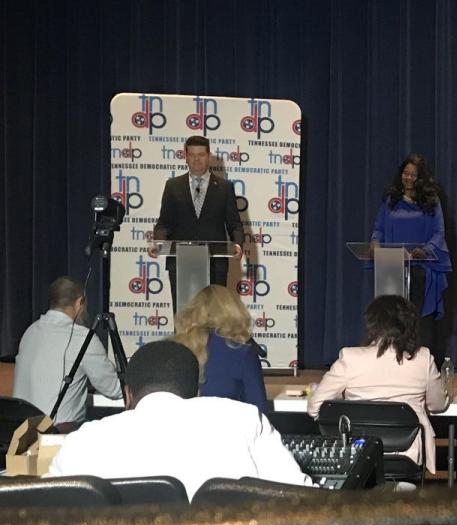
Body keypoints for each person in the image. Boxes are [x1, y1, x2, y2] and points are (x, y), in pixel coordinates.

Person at [45, 340, 313, 500]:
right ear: (196, 392)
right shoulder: (243, 419)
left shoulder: (83, 441)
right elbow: (303, 497)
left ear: (127, 395)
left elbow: (44, 509)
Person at [307, 295, 449, 479]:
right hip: (408, 456)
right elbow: (438, 405)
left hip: (358, 454)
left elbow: (314, 408)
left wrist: (344, 403)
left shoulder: (350, 358)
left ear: (372, 324)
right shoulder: (423, 358)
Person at [371, 153, 452, 365]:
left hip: (421, 268)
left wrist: (424, 250)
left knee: (418, 318)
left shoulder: (431, 202)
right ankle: (391, 362)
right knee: (393, 316)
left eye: (413, 174)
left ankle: (420, 364)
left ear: (420, 177)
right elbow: (378, 229)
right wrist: (375, 243)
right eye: (405, 173)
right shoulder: (391, 201)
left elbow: (438, 233)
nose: (408, 178)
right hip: (392, 267)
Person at [12, 276, 122, 426]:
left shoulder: (30, 331)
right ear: (79, 303)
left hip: (22, 432)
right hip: (60, 434)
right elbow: (114, 389)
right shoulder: (83, 338)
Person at [153, 135, 244, 309]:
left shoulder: (225, 187)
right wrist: (158, 242)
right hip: (181, 262)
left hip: (215, 263)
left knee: (215, 318)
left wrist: (238, 244)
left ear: (209, 156)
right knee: (184, 318)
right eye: (192, 155)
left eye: (201, 154)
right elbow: (164, 223)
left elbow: (235, 224)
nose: (197, 159)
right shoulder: (172, 186)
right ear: (185, 156)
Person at [172, 284, 269, 413]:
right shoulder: (242, 352)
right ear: (236, 312)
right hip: (229, 430)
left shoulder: (172, 349)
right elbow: (259, 410)